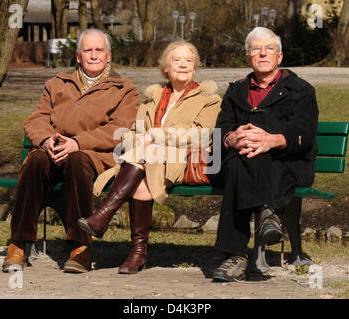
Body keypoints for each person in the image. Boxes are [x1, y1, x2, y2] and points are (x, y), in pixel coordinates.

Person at [78, 41, 222, 274]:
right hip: (147, 162)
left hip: (185, 159)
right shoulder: (151, 100)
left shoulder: (209, 99)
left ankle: (103, 217)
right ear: (166, 67)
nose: (183, 65)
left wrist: (155, 136)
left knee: (146, 153)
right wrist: (141, 142)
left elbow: (202, 136)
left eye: (188, 61)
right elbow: (133, 135)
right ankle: (137, 253)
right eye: (177, 60)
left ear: (195, 68)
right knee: (142, 182)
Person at [2, 29, 139, 273]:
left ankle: (80, 246)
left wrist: (78, 142)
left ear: (108, 56)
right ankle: (19, 243)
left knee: (77, 160)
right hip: (54, 152)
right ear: (78, 56)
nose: (94, 55)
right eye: (88, 50)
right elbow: (36, 119)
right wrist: (45, 139)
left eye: (99, 50)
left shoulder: (124, 89)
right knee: (35, 163)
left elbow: (120, 129)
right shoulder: (57, 84)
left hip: (94, 156)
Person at [212, 27, 319, 282]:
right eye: (256, 49)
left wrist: (272, 140)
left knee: (244, 162)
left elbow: (303, 131)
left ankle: (235, 256)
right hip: (242, 160)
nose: (263, 54)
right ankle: (267, 215)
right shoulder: (236, 90)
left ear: (279, 57)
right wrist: (232, 138)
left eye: (269, 49)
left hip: (285, 163)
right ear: (248, 57)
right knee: (244, 158)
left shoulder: (301, 90)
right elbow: (221, 127)